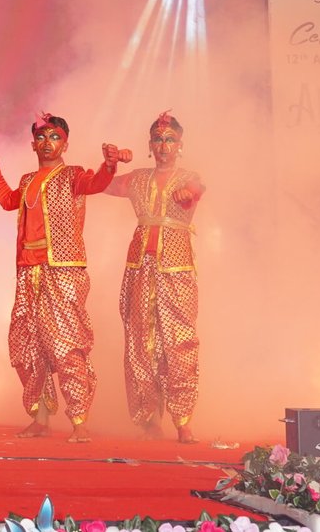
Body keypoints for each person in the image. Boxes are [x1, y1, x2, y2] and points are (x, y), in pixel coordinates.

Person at [0, 113, 121, 443]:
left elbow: (97, 184)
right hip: (28, 271)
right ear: (33, 145)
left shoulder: (73, 176)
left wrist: (109, 165)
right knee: (27, 345)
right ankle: (40, 418)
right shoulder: (28, 179)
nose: (47, 143)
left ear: (65, 145)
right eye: (41, 138)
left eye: (54, 137)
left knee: (65, 343)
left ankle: (79, 420)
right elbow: (8, 201)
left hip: (63, 270)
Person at [105, 112, 203, 443]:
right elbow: (101, 185)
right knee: (139, 342)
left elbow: (197, 190)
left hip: (176, 268)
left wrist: (187, 194)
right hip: (140, 268)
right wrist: (110, 163)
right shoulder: (137, 178)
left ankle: (183, 419)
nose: (164, 145)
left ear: (180, 144)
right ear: (150, 144)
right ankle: (149, 418)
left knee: (179, 340)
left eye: (170, 139)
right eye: (158, 139)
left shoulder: (189, 178)